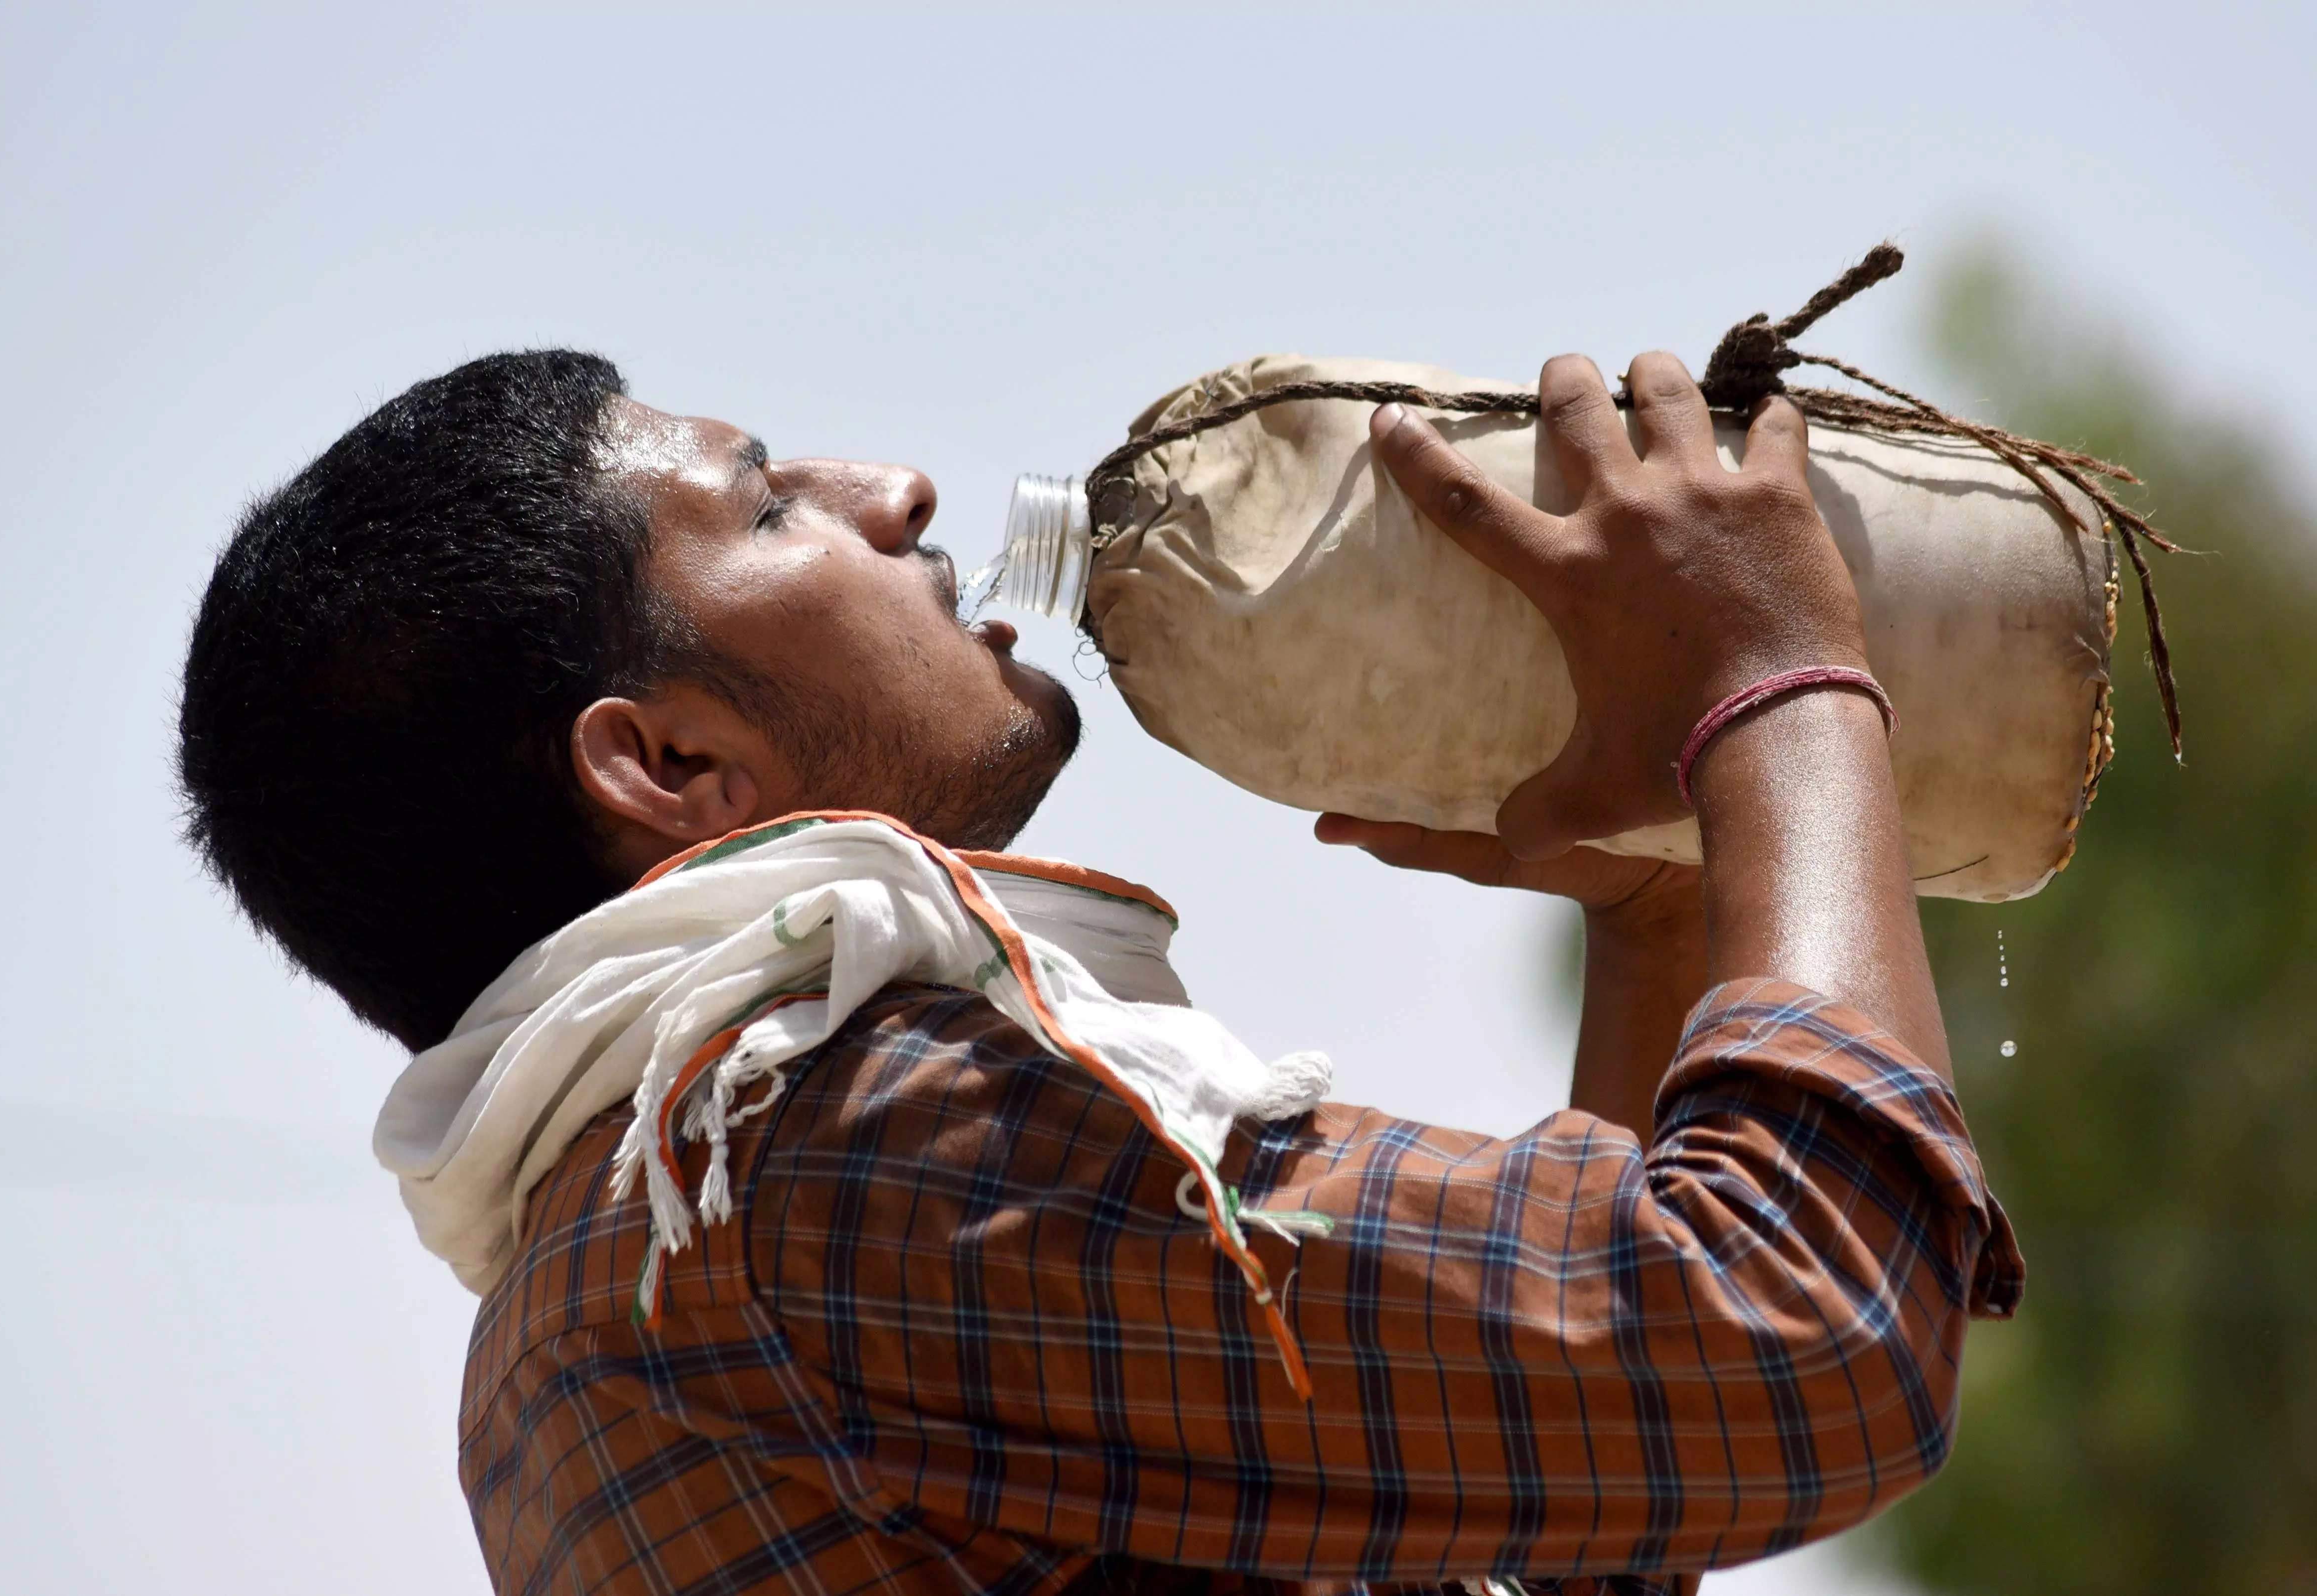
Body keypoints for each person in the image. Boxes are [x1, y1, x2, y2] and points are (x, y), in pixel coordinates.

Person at [178, 347, 2020, 1596]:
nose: (890, 491)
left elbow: (1611, 1486)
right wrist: (1777, 672)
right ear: (669, 768)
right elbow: (1807, 1330)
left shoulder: (613, 1272)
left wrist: (1664, 913)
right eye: (764, 508)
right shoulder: (830, 1147)